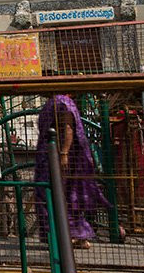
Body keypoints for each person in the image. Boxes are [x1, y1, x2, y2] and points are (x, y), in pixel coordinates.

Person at [34, 93, 110, 249]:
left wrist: (64, 153)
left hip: (58, 158)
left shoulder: (62, 103)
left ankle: (67, 236)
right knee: (59, 196)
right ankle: (67, 236)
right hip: (50, 156)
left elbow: (68, 127)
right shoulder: (56, 102)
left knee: (57, 195)